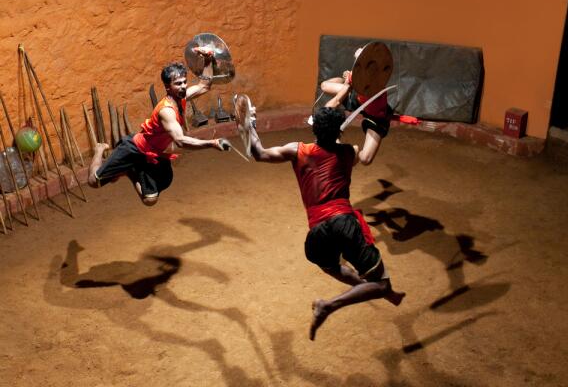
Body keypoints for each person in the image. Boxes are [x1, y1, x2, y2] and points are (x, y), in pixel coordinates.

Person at [248, 88, 405, 341]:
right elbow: (366, 155)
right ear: (339, 132)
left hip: (318, 232)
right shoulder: (347, 153)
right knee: (381, 284)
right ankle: (330, 305)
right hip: (344, 223)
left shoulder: (298, 151)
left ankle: (373, 290)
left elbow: (259, 153)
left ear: (315, 129)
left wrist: (249, 124)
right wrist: (377, 123)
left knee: (331, 265)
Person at [88, 48, 231, 206]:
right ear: (168, 87)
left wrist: (208, 60)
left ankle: (130, 170)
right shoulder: (166, 111)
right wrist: (212, 143)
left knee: (149, 200)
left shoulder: (181, 98)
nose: (183, 86)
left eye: (184, 82)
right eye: (178, 84)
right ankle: (99, 149)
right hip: (134, 148)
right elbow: (180, 141)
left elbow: (204, 85)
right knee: (94, 182)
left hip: (154, 152)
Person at [320, 46, 395, 165]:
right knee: (324, 85)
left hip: (376, 116)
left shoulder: (377, 82)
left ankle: (351, 152)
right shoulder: (356, 75)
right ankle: (335, 139)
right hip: (357, 100)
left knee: (365, 159)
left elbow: (372, 74)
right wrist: (346, 80)